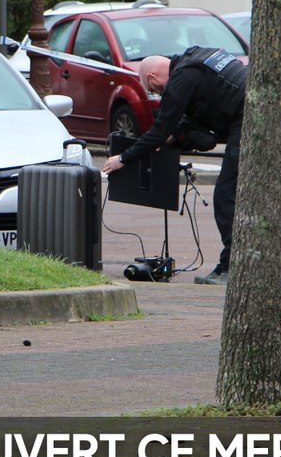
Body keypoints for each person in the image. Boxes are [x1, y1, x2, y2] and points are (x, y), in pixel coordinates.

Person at [101, 47, 247, 285]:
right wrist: (174, 135)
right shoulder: (194, 60)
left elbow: (160, 129)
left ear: (152, 78)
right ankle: (239, 262)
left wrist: (123, 159)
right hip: (246, 108)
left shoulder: (181, 78)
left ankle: (231, 268)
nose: (156, 95)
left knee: (225, 196)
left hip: (244, 117)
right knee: (236, 194)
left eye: (152, 90)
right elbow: (196, 115)